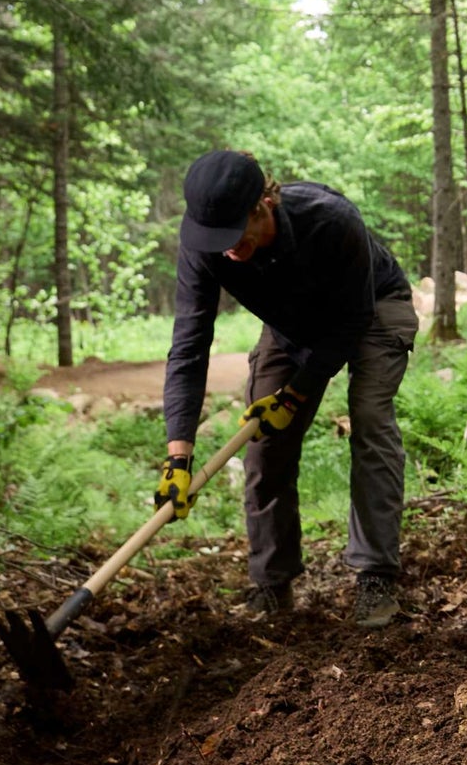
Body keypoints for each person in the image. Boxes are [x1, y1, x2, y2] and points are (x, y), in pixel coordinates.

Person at [156, 149, 420, 628]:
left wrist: (296, 393)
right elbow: (189, 345)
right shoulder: (205, 243)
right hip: (291, 325)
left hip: (372, 308)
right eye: (215, 239)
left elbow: (351, 321)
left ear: (263, 205)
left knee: (370, 421)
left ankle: (375, 577)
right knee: (264, 439)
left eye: (235, 233)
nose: (226, 248)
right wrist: (179, 456)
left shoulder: (331, 220)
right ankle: (272, 584)